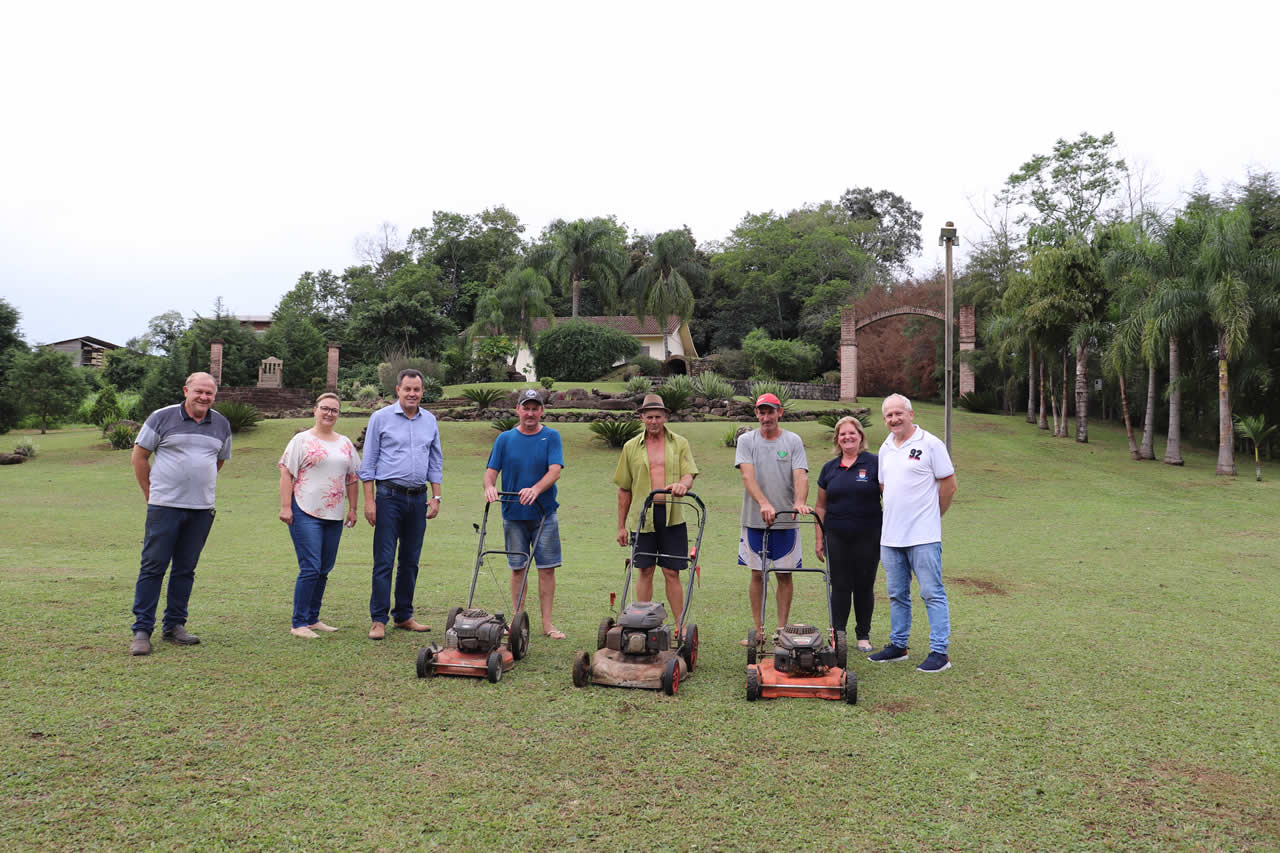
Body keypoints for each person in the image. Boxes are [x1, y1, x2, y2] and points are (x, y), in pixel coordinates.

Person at [127, 372, 232, 656]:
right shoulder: (161, 417)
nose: (204, 397)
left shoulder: (221, 423)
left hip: (201, 510)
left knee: (185, 569)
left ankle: (174, 625)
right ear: (186, 390)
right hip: (164, 507)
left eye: (209, 393)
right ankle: (142, 630)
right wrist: (152, 495)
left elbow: (218, 460)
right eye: (199, 391)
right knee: (153, 566)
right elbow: (139, 456)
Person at [869, 393, 957, 673]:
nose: (894, 419)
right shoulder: (885, 448)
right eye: (888, 415)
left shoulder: (930, 444)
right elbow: (885, 487)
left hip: (923, 537)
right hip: (891, 537)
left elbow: (949, 484)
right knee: (897, 594)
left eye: (898, 414)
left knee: (932, 593)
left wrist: (934, 516)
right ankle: (898, 646)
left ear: (911, 414)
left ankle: (940, 652)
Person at [358, 369, 442, 640]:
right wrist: (369, 501)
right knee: (384, 560)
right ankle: (378, 619)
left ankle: (403, 615)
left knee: (410, 560)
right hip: (388, 497)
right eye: (407, 389)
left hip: (418, 498)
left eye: (417, 389)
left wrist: (436, 496)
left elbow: (435, 461)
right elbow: (368, 463)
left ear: (422, 392)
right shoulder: (380, 418)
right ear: (398, 390)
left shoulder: (429, 420)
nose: (412, 394)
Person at [483, 389, 566, 638]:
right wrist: (489, 487)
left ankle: (547, 625)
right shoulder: (504, 439)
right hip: (513, 514)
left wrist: (536, 489)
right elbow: (491, 471)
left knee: (547, 568)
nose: (530, 413)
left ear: (542, 411)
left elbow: (555, 471)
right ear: (517, 410)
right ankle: (517, 622)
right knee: (518, 568)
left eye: (535, 408)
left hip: (544, 514)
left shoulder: (551, 437)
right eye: (525, 408)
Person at [278, 392, 361, 638]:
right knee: (311, 567)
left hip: (334, 514)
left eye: (334, 410)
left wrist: (354, 509)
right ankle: (299, 623)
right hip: (304, 510)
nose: (329, 413)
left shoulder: (345, 443)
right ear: (315, 410)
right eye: (325, 408)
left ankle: (313, 618)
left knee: (324, 568)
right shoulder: (300, 441)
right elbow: (286, 474)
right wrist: (285, 507)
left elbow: (353, 478)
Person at [613, 393, 699, 630]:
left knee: (672, 571)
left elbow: (689, 473)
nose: (653, 421)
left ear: (665, 417)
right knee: (645, 569)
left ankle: (680, 624)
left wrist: (684, 484)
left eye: (658, 417)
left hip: (672, 516)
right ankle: (643, 622)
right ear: (641, 418)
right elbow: (624, 489)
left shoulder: (679, 443)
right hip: (643, 518)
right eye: (649, 417)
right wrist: (621, 526)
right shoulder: (631, 447)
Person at [736, 392, 811, 642]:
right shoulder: (747, 440)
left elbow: (800, 474)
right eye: (762, 412)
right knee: (757, 573)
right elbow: (747, 476)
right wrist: (764, 503)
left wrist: (799, 501)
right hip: (754, 519)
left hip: (786, 519)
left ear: (780, 412)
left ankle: (782, 631)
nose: (766, 416)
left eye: (771, 411)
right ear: (756, 414)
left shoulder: (793, 441)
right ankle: (758, 631)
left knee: (784, 575)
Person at [814, 416, 882, 654]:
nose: (847, 437)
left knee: (864, 585)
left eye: (852, 433)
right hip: (836, 535)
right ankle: (837, 634)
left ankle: (863, 635)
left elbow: (889, 497)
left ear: (861, 436)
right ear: (837, 439)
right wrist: (819, 539)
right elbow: (820, 506)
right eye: (842, 434)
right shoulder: (829, 468)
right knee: (840, 585)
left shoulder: (875, 463)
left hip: (869, 535)